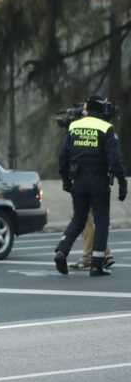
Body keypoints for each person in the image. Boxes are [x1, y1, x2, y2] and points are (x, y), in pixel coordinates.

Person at [54, 93, 127, 276]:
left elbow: (62, 157)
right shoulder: (106, 128)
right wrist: (122, 182)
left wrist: (66, 181)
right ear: (101, 109)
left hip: (78, 181)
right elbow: (115, 159)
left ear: (88, 109)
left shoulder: (74, 126)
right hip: (99, 181)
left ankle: (62, 250)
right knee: (101, 222)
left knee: (78, 219)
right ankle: (96, 265)